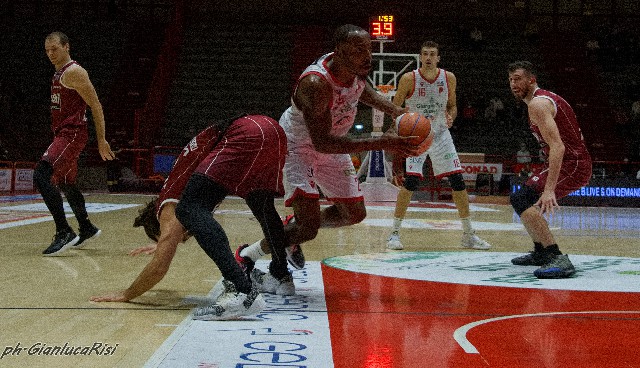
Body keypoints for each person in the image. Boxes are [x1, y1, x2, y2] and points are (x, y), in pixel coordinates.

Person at [233, 24, 418, 279]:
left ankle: (291, 228)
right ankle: (247, 254)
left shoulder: (356, 69)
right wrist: (381, 143)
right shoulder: (315, 84)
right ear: (339, 52)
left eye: (368, 48)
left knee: (354, 214)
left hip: (334, 142)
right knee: (308, 230)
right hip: (300, 147)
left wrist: (395, 111)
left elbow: (361, 91)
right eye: (358, 49)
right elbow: (322, 143)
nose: (367, 55)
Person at [92, 114, 291, 320]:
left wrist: (127, 294)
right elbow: (183, 229)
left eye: (161, 236)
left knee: (189, 209)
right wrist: (165, 241)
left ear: (157, 218)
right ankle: (280, 275)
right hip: (271, 129)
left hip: (246, 134)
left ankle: (241, 290)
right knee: (263, 206)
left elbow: (160, 266)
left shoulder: (168, 203)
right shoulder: (178, 183)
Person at [387, 41, 491, 251]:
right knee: (411, 183)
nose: (428, 58)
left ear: (438, 58)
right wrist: (400, 126)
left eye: (432, 54)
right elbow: (394, 108)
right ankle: (394, 234)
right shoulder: (409, 78)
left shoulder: (448, 77)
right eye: (424, 54)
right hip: (416, 136)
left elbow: (452, 106)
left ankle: (469, 235)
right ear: (420, 57)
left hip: (441, 133)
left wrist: (451, 117)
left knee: (458, 181)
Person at [507, 61, 592, 279]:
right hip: (568, 161)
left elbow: (558, 146)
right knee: (522, 198)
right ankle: (541, 251)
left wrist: (549, 190)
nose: (513, 83)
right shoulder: (540, 101)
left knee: (522, 198)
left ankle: (557, 257)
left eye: (518, 78)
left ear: (531, 80)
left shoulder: (538, 104)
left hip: (573, 164)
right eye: (510, 80)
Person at [37, 32, 115, 256]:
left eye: (55, 49)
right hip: (62, 133)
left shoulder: (74, 72)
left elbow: (96, 105)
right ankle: (86, 227)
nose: (50, 54)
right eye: (47, 50)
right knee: (65, 182)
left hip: (72, 134)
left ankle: (64, 232)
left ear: (67, 47)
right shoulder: (59, 72)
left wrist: (101, 139)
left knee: (42, 174)